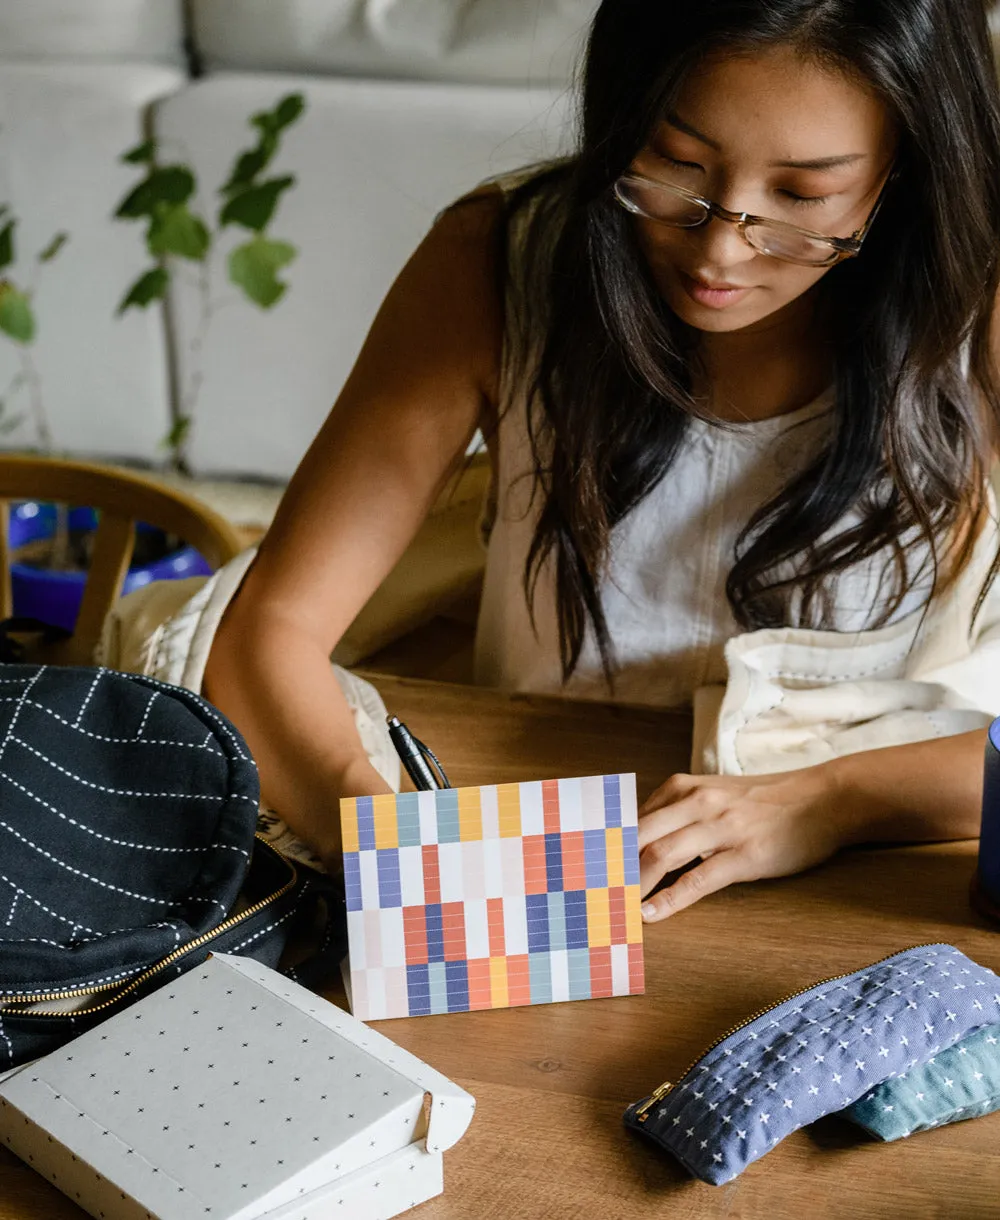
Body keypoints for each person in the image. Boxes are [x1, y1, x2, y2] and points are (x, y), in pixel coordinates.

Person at [204, 0, 1000, 922]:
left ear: (910, 165)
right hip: (534, 811)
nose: (720, 248)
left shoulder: (978, 305)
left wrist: (830, 801)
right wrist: (384, 838)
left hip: (886, 875)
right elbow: (270, 629)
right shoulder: (499, 259)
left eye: (802, 196)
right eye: (678, 164)